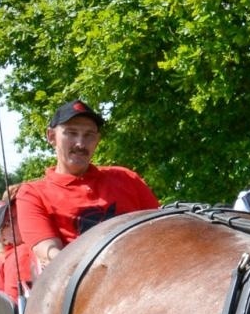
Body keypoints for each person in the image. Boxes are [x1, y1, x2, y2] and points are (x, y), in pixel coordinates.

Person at [14, 100, 158, 270]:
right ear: (51, 136)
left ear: (97, 140)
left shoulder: (126, 178)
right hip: (81, 280)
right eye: (71, 133)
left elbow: (160, 228)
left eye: (89, 135)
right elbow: (49, 251)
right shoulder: (32, 194)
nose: (81, 144)